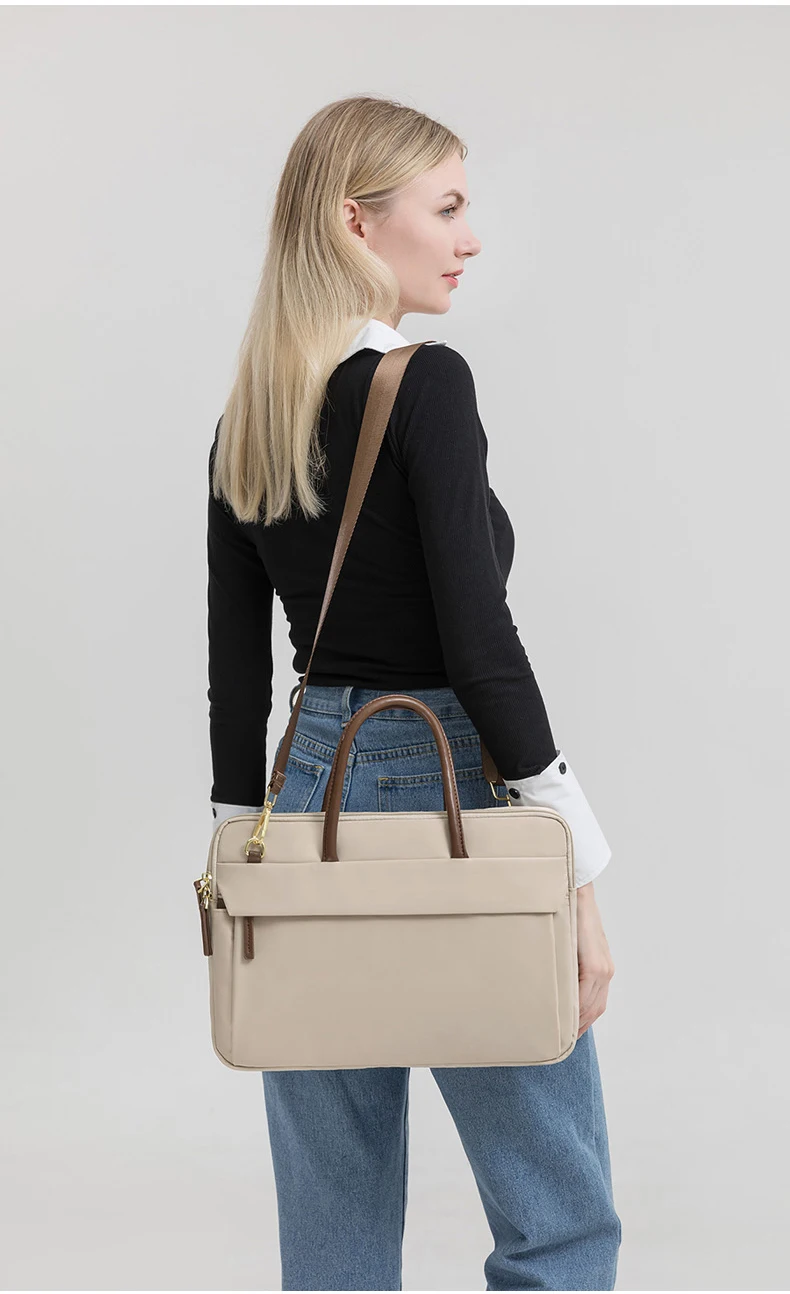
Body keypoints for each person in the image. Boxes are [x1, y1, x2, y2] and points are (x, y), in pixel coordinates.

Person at [207, 95, 621, 1292]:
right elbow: (478, 642)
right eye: (446, 207)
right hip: (444, 777)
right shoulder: (424, 384)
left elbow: (240, 676)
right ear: (356, 222)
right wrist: (576, 862)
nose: (467, 237)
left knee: (331, 1233)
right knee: (555, 1216)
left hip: (303, 791)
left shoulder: (248, 419)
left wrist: (243, 855)